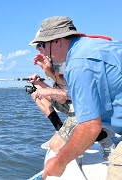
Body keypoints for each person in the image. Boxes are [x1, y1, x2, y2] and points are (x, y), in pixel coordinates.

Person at [29, 16, 122, 179]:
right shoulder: (96, 46)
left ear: (57, 41)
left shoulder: (79, 63)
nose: (40, 50)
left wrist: (59, 163)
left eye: (42, 45)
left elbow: (90, 126)